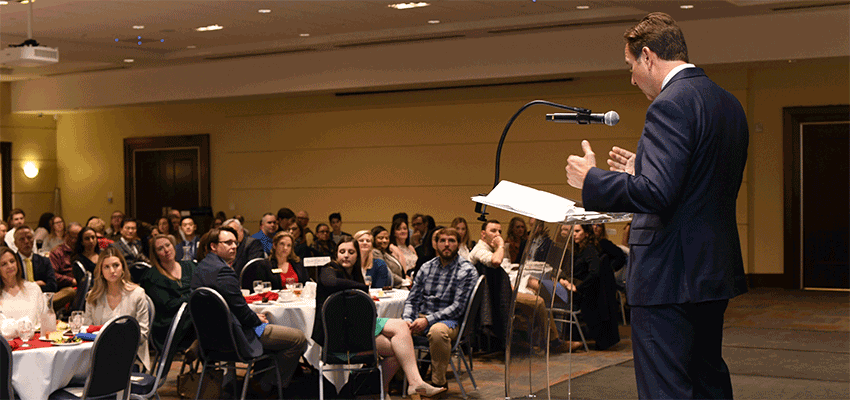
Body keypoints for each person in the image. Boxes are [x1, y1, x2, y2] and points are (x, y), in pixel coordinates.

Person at [565, 12, 748, 399]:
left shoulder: (670, 103)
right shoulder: (727, 102)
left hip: (669, 275)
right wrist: (641, 169)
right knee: (707, 382)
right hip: (710, 270)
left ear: (647, 56)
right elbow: (698, 182)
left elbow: (657, 194)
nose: (631, 78)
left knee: (666, 389)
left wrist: (592, 180)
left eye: (631, 66)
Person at [313, 238, 445, 397]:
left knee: (401, 341)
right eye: (342, 252)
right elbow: (330, 282)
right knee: (401, 343)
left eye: (351, 252)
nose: (346, 256)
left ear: (357, 256)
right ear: (336, 255)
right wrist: (362, 287)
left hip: (355, 329)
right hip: (337, 337)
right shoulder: (330, 269)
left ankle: (403, 385)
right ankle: (388, 389)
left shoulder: (354, 274)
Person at [191, 227, 307, 394]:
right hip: (237, 335)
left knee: (273, 326)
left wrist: (251, 316)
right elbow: (242, 312)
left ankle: (261, 378)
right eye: (228, 243)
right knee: (298, 338)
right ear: (213, 246)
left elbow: (235, 308)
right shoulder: (223, 271)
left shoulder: (202, 267)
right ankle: (267, 386)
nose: (234, 246)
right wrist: (255, 319)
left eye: (235, 242)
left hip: (211, 337)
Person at [469, 221, 579, 354]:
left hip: (500, 292)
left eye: (499, 231)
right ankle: (554, 343)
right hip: (493, 298)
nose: (497, 235)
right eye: (493, 231)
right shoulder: (480, 249)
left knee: (537, 291)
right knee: (539, 302)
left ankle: (540, 340)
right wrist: (501, 245)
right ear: (483, 234)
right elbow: (496, 261)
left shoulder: (491, 248)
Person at [403, 228, 479, 388]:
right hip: (423, 317)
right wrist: (407, 320)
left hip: (450, 322)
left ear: (458, 245)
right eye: (442, 241)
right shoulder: (426, 267)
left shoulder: (466, 270)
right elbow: (412, 299)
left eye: (451, 241)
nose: (447, 244)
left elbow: (458, 307)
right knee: (397, 328)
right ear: (436, 244)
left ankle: (438, 384)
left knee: (437, 332)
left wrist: (427, 321)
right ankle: (402, 379)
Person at [83, 247, 151, 371]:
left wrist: (115, 341)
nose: (112, 271)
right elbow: (87, 329)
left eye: (116, 265)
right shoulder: (93, 297)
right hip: (99, 354)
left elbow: (142, 333)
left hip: (131, 356)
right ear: (101, 271)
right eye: (106, 267)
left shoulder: (137, 294)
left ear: (123, 268)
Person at [555, 224, 620, 350]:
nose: (574, 234)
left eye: (578, 231)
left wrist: (577, 288)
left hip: (585, 294)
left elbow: (594, 273)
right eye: (573, 231)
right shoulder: (578, 249)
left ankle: (560, 341)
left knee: (552, 298)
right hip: (580, 290)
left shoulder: (589, 250)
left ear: (587, 234)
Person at [140, 234, 195, 351]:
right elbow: (168, 305)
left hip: (191, 315)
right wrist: (192, 296)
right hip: (170, 323)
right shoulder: (153, 276)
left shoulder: (189, 266)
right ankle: (203, 351)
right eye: (160, 249)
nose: (166, 250)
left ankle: (200, 349)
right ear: (155, 254)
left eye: (168, 245)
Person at [243, 231, 309, 291]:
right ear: (274, 245)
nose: (285, 248)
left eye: (289, 245)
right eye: (282, 244)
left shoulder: (298, 264)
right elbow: (261, 288)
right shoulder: (265, 265)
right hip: (274, 301)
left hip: (297, 300)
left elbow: (306, 284)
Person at [0, 246, 48, 328]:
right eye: (4, 264)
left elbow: (45, 319)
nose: (10, 266)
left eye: (12, 261)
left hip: (35, 338)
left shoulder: (33, 288)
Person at [49, 222, 83, 312]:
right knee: (71, 292)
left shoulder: (83, 251)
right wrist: (72, 281)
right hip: (67, 288)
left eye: (79, 238)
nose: (76, 241)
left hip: (83, 286)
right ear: (66, 235)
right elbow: (53, 275)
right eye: (74, 237)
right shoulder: (57, 252)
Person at [14, 226, 57, 292]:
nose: (26, 241)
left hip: (41, 297)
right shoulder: (12, 262)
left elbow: (52, 286)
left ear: (33, 239)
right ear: (15, 243)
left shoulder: (44, 261)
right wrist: (34, 285)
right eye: (22, 239)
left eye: (29, 238)